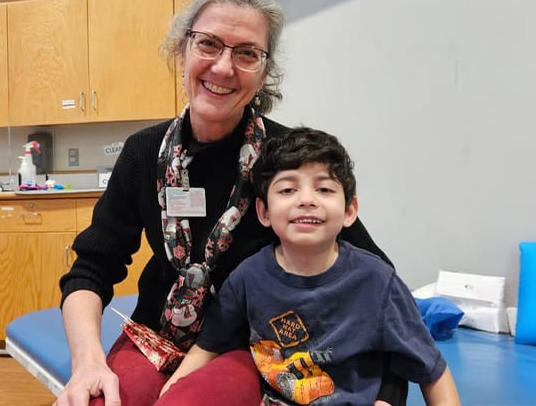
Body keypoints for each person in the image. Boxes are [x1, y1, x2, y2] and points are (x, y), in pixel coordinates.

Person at [56, 0, 406, 406]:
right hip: (154, 336)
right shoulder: (143, 152)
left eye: (246, 54)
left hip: (249, 346)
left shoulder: (289, 159)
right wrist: (88, 362)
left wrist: (388, 393)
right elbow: (92, 268)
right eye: (208, 44)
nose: (223, 67)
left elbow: (375, 278)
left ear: (263, 73)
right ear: (182, 51)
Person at [162, 127, 461, 405]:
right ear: (264, 212)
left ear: (349, 211)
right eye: (288, 190)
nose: (306, 200)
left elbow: (433, 372)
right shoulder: (247, 279)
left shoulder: (378, 283)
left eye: (324, 190)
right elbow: (207, 348)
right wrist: (167, 394)